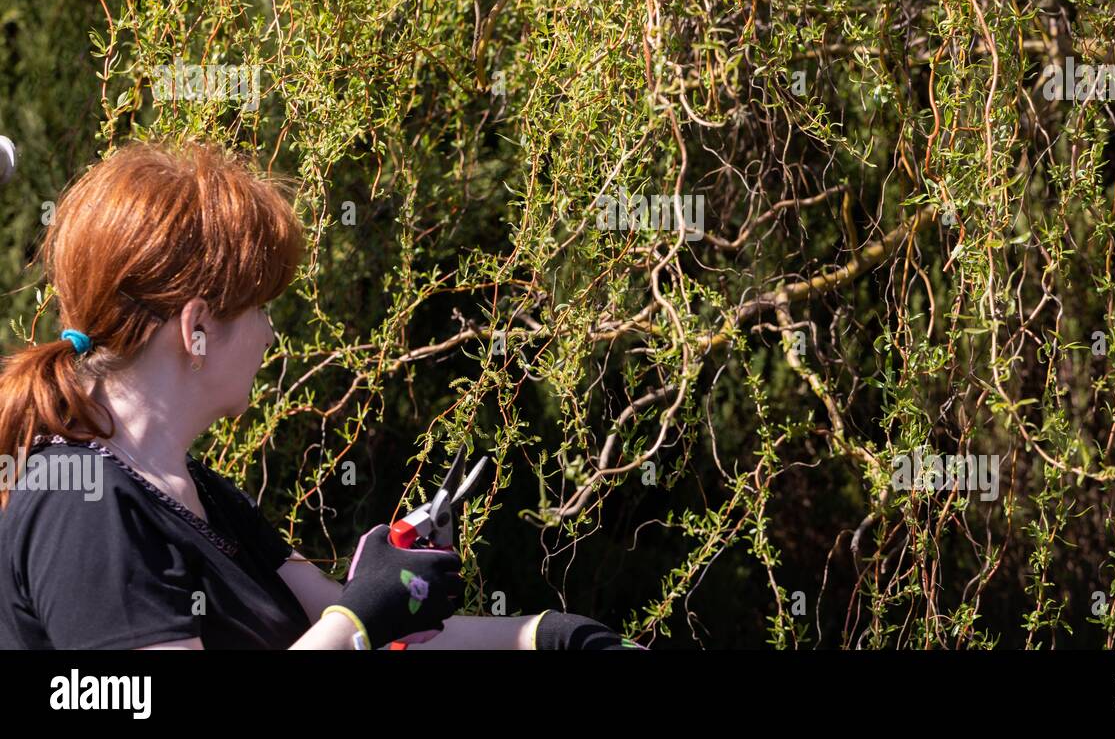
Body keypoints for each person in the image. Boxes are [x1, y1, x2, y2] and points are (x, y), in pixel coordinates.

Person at [0, 138, 643, 650]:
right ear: (196, 330)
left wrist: (549, 635)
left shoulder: (199, 496)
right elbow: (351, 626)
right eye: (261, 309)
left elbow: (360, 618)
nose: (271, 335)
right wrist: (356, 626)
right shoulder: (81, 509)